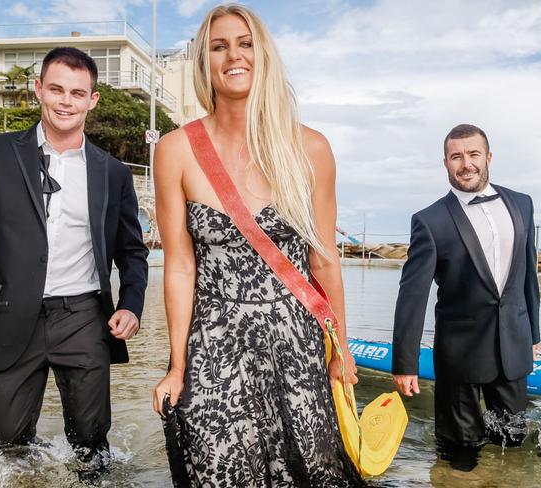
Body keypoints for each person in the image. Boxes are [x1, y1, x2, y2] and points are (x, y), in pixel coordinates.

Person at [152, 4, 365, 486]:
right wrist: (177, 365)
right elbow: (181, 267)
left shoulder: (310, 148)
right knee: (218, 466)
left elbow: (323, 260)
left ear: (262, 55)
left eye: (245, 43)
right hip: (214, 341)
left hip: (297, 340)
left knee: (310, 469)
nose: (234, 55)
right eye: (219, 46)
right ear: (203, 62)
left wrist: (342, 349)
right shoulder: (175, 150)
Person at [0, 47, 148, 478]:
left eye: (77, 92)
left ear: (92, 99)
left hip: (85, 319)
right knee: (5, 449)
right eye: (55, 89)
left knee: (93, 447)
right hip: (9, 313)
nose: (65, 101)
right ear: (38, 90)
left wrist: (131, 304)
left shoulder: (112, 172)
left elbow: (132, 250)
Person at [392, 124, 541, 470]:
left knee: (513, 444)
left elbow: (527, 274)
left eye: (473, 154)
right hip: (458, 356)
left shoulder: (522, 204)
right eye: (456, 156)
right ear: (445, 162)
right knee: (458, 453)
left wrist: (533, 334)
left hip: (513, 347)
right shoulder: (429, 221)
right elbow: (412, 294)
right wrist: (405, 363)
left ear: (488, 157)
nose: (466, 163)